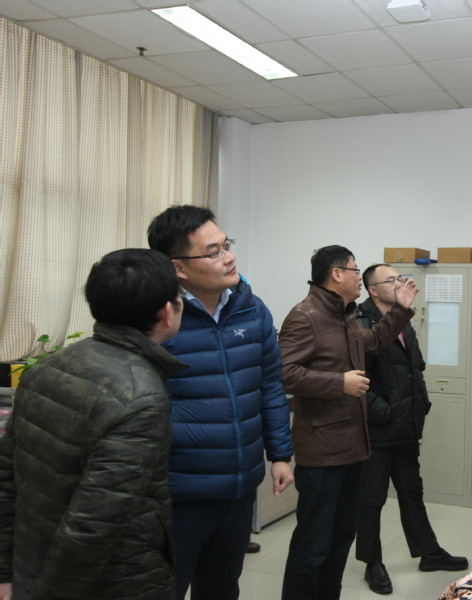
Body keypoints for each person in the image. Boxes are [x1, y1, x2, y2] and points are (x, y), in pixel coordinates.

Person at [0, 249, 187, 600]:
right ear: (166, 312)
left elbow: (6, 478)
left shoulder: (47, 366)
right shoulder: (140, 396)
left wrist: (6, 573)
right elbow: (94, 525)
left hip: (33, 565)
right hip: (107, 583)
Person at [147, 206, 294, 600]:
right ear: (178, 267)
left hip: (239, 486)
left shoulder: (252, 308)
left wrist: (280, 454)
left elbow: (269, 385)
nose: (229, 256)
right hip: (179, 492)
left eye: (227, 245)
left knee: (222, 588)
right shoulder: (158, 318)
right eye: (214, 251)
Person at [278, 246, 418, 600]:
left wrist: (401, 309)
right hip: (323, 453)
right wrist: (339, 383)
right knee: (313, 545)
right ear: (336, 274)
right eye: (355, 270)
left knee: (340, 540)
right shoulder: (305, 316)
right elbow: (284, 373)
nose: (359, 276)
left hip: (353, 447)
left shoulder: (345, 317)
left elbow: (374, 341)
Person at [355, 264, 468, 594]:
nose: (398, 283)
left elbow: (414, 368)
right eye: (390, 280)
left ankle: (429, 552)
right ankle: (372, 562)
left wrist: (421, 403)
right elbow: (357, 378)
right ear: (373, 290)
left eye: (398, 278)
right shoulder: (361, 321)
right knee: (372, 499)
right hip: (378, 428)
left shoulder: (402, 318)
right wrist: (384, 412)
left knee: (412, 492)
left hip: (406, 425)